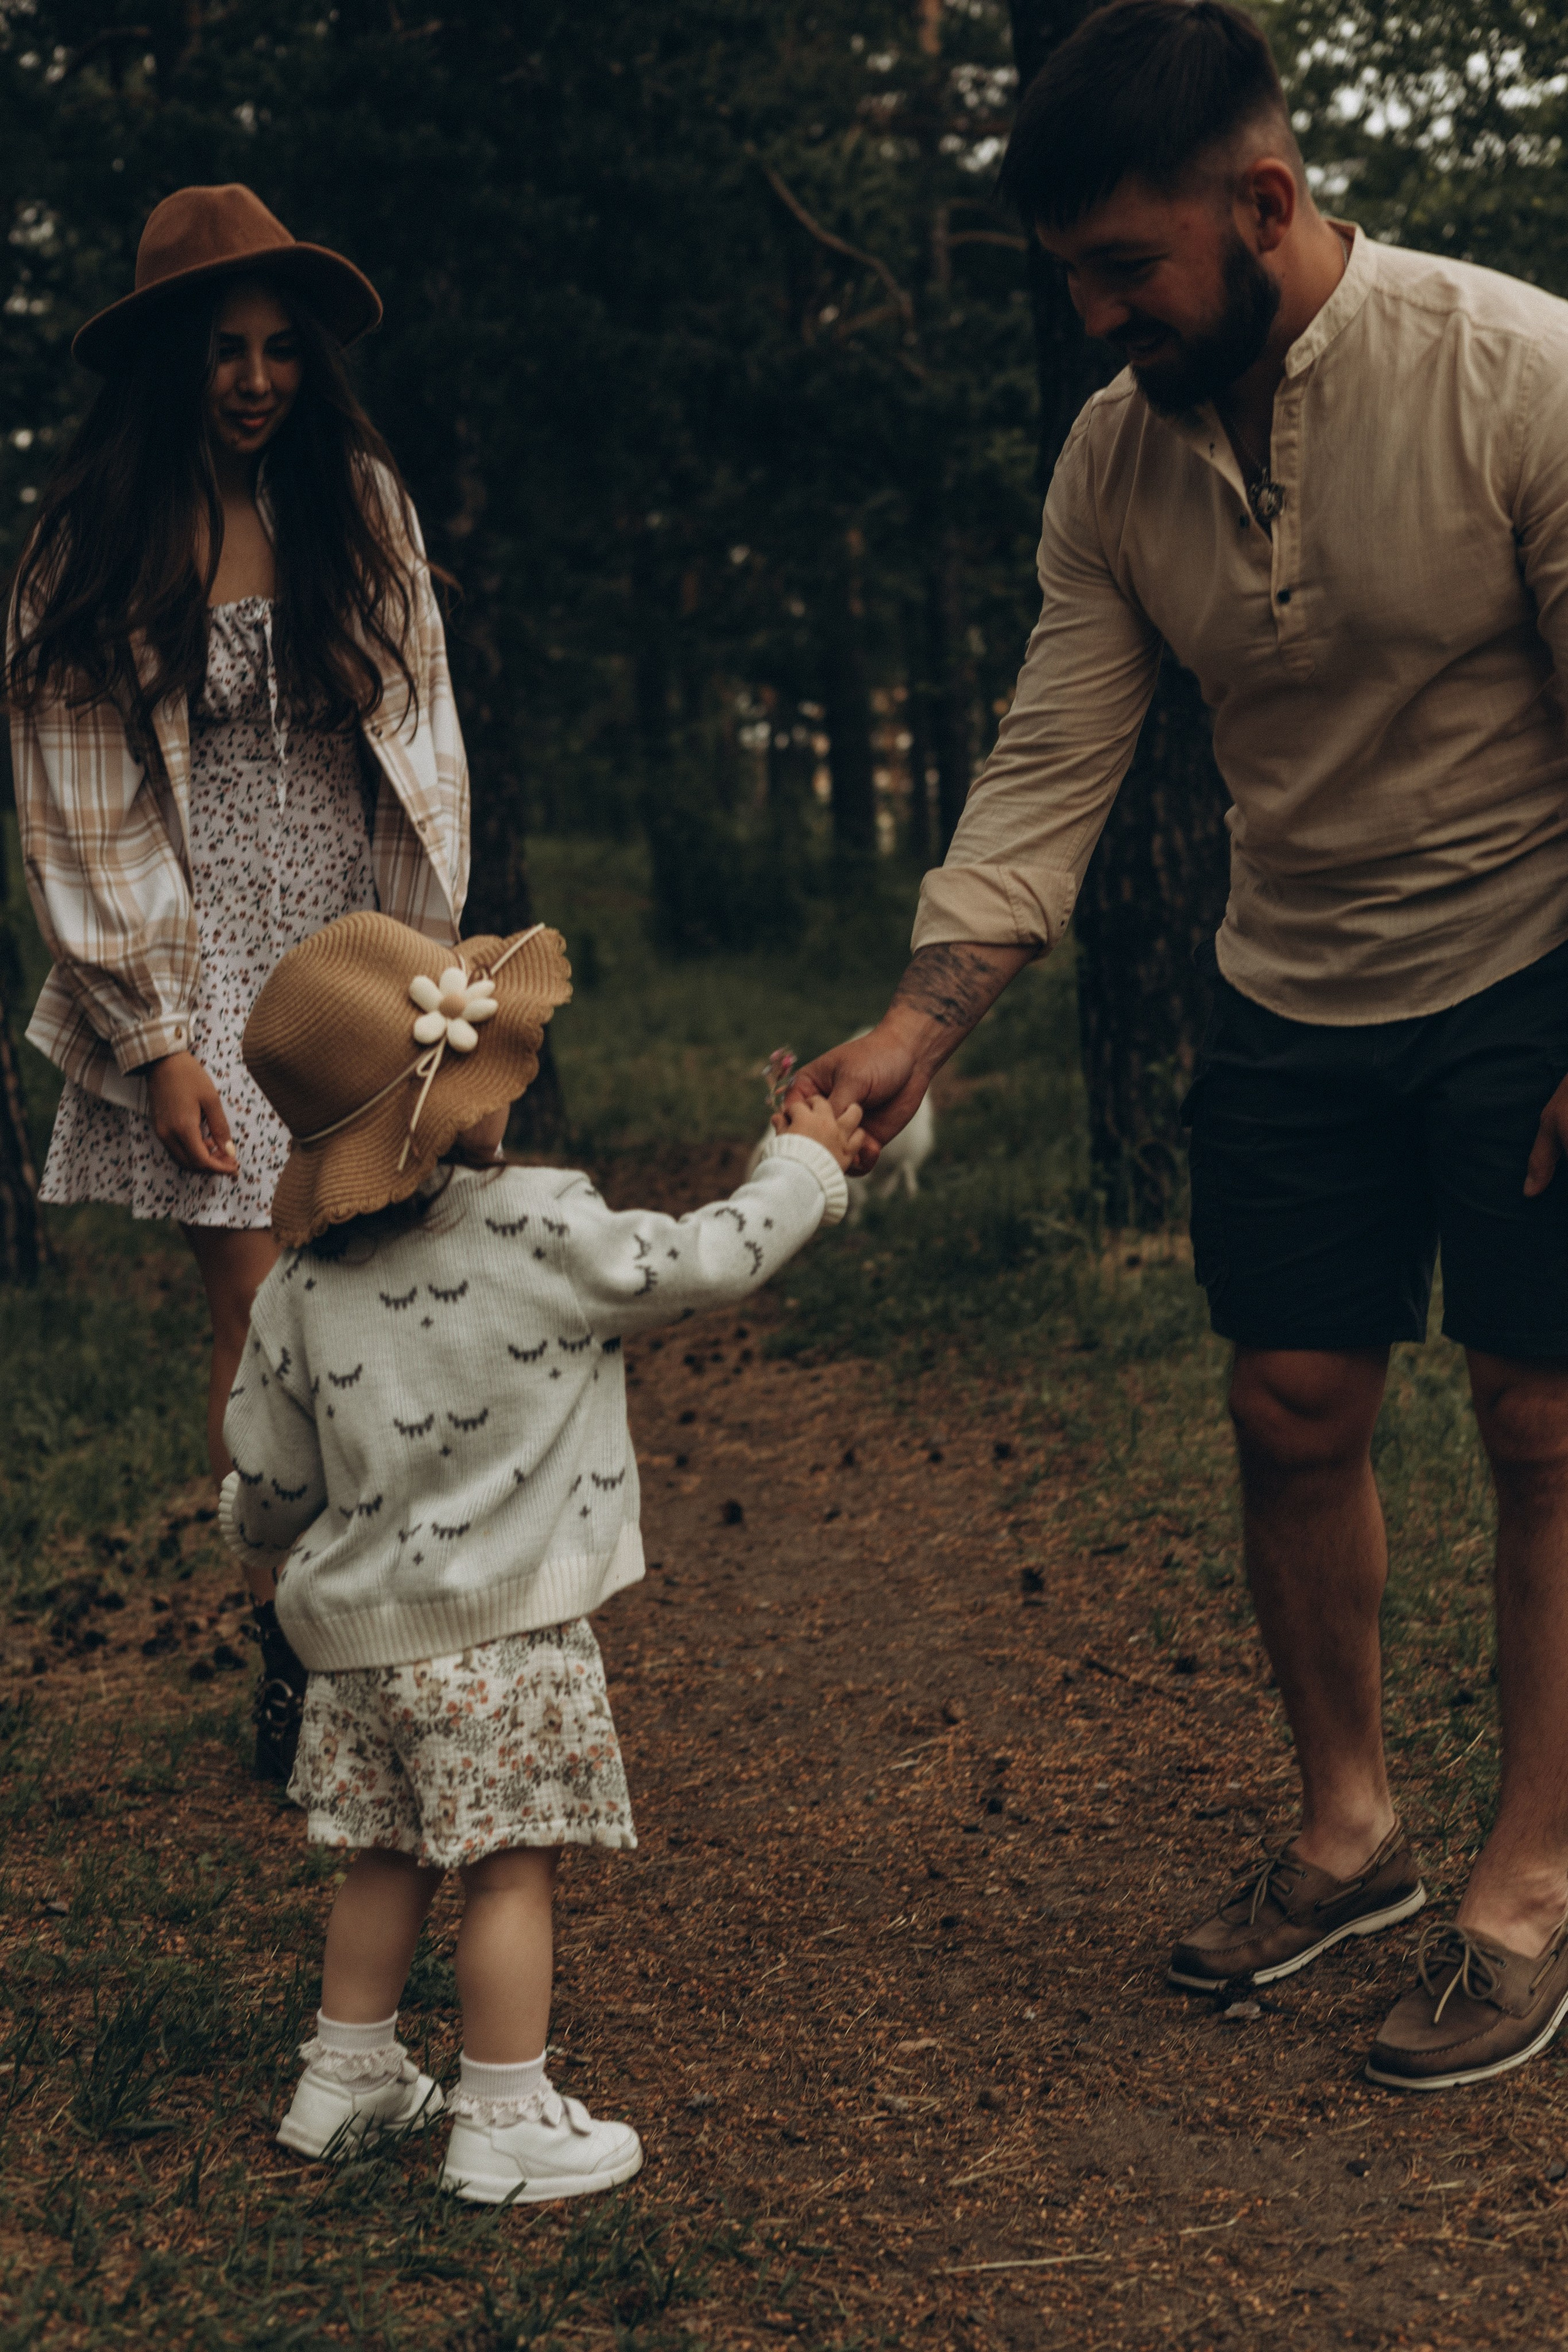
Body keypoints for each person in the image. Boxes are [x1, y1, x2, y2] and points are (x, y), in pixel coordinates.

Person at [792, 0, 1568, 2090]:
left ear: (1267, 199)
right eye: (1071, 280)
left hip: (1535, 967)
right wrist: (916, 1028)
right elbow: (1054, 753)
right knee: (1295, 1401)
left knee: (1541, 1417)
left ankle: (1531, 1879)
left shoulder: (1520, 373)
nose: (1097, 317)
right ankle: (1353, 1832)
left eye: (1126, 271)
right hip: (1294, 987)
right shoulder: (1117, 459)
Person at [216, 908, 861, 2199]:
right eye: (484, 1072)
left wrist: (255, 1535)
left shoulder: (291, 1287)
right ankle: (502, 2113)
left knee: (384, 1852)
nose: (504, 1087)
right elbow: (706, 1261)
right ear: (444, 1117)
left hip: (356, 1650)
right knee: (512, 1869)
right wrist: (796, 1163)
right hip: (503, 1634)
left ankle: (344, 2077)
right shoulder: (540, 1226)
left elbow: (272, 1481)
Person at [7, 185, 469, 1785]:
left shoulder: (357, 499)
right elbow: (74, 793)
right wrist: (147, 1032)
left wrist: (427, 986)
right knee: (262, 1315)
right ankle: (294, 1641)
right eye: (224, 350)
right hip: (194, 946)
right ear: (169, 364)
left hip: (344, 942)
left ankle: (385, 1632)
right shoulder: (98, 536)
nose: (256, 378)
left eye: (280, 350)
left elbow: (423, 744)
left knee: (379, 1296)